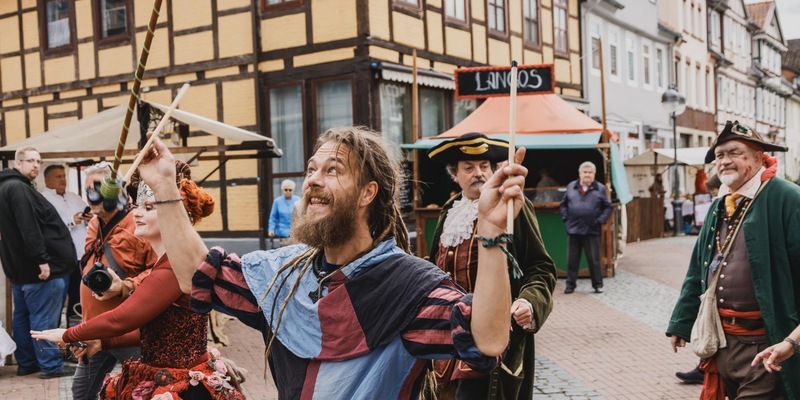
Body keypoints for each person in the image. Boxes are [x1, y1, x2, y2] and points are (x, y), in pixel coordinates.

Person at [128, 126, 526, 399]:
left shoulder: (406, 286)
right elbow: (198, 274)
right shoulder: (284, 274)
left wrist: (491, 234)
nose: (312, 180)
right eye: (311, 170)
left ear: (368, 193)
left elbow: (487, 339)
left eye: (332, 171)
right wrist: (165, 187)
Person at [33, 160, 245, 400]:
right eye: (138, 206)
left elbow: (121, 319)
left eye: (149, 207)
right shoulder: (164, 261)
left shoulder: (175, 267)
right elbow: (154, 330)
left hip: (183, 386)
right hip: (164, 374)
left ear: (173, 214)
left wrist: (69, 333)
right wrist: (103, 343)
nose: (138, 213)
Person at [666, 120, 800, 399]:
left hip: (768, 340)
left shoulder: (786, 199)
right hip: (723, 342)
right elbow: (698, 268)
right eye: (719, 155)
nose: (725, 161)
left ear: (758, 157)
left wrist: (792, 340)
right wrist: (682, 320)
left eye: (734, 153)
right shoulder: (719, 205)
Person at [426, 132, 557, 399]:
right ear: (455, 175)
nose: (479, 173)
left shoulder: (511, 207)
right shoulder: (449, 210)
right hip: (446, 340)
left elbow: (540, 267)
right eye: (469, 168)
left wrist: (529, 302)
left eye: (485, 166)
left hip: (494, 338)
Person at [68, 162, 157, 400]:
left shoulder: (140, 221)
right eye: (88, 189)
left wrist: (124, 286)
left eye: (97, 188)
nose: (91, 196)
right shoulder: (94, 223)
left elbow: (159, 272)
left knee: (143, 392)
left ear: (117, 191)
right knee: (81, 393)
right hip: (95, 329)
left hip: (130, 331)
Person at [0, 147, 77, 379]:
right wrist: (42, 261)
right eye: (30, 161)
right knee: (43, 320)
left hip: (20, 270)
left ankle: (27, 363)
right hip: (41, 271)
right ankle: (50, 366)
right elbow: (29, 228)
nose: (35, 165)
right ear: (18, 163)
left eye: (38, 161)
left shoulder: (6, 187)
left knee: (23, 319)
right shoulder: (18, 189)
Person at [42, 164, 91, 327]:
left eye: (63, 176)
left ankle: (76, 336)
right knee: (57, 301)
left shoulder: (73, 197)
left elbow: (87, 213)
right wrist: (71, 221)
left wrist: (88, 217)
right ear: (47, 179)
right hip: (59, 258)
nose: (63, 179)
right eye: (58, 177)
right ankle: (53, 338)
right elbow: (46, 226)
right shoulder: (43, 199)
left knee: (78, 298)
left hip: (80, 255)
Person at [560, 161, 611, 294]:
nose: (587, 175)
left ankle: (597, 285)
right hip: (574, 229)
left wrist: (599, 221)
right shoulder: (571, 186)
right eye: (585, 172)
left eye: (590, 172)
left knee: (594, 260)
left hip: (592, 229)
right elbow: (563, 204)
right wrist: (566, 218)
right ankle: (570, 285)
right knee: (572, 260)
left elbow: (607, 207)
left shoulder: (599, 188)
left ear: (594, 174)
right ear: (580, 173)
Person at [268, 179, 301, 246]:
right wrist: (271, 230)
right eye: (285, 190)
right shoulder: (277, 201)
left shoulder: (298, 200)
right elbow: (273, 217)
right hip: (282, 234)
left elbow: (302, 216)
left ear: (293, 190)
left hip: (295, 234)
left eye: (290, 190)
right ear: (282, 190)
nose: (288, 192)